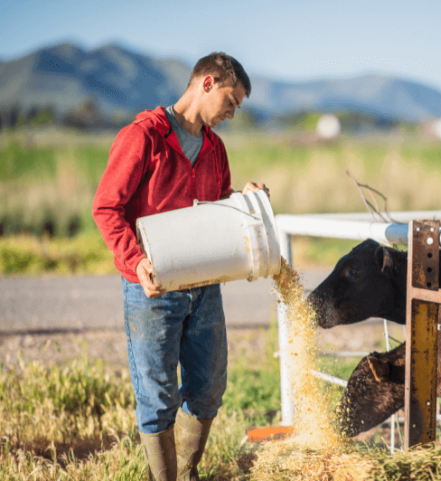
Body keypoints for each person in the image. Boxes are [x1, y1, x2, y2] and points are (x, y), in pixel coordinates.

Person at [92, 52, 267, 481]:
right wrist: (136, 262)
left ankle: (187, 474)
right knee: (157, 397)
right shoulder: (143, 137)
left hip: (205, 286)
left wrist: (243, 200)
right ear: (207, 83)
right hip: (152, 289)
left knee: (208, 388)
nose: (232, 112)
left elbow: (216, 207)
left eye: (237, 106)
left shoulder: (215, 148)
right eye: (231, 100)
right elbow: (106, 208)